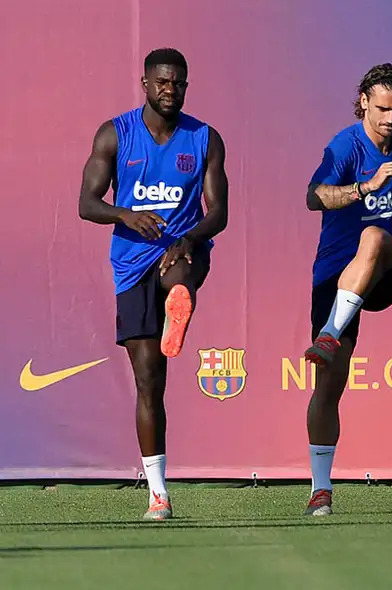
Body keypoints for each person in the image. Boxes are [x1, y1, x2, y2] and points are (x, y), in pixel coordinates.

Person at [78, 48, 229, 521]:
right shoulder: (115, 134)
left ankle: (179, 302)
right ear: (145, 83)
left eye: (179, 83)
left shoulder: (204, 138)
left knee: (180, 270)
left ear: (187, 86)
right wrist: (125, 214)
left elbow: (219, 211)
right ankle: (158, 494)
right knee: (149, 382)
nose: (171, 90)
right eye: (163, 82)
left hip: (183, 248)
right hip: (130, 263)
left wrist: (188, 237)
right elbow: (87, 202)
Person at [302, 63, 392, 516]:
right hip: (336, 275)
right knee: (329, 387)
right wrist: (365, 186)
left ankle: (330, 331)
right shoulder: (344, 145)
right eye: (382, 109)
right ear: (363, 99)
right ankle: (321, 490)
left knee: (377, 237)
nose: (390, 120)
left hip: (384, 272)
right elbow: (313, 196)